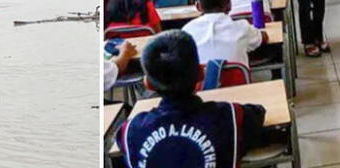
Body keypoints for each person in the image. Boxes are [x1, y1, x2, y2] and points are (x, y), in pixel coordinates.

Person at [116, 30, 272, 167]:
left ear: (148, 83)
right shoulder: (229, 116)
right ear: (201, 74)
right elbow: (258, 114)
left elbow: (121, 141)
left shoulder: (132, 130)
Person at [183, 0, 267, 66]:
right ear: (229, 4)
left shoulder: (186, 33)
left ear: (198, 6)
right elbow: (263, 38)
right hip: (239, 81)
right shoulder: (243, 28)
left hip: (203, 81)